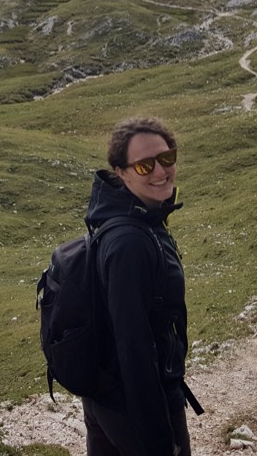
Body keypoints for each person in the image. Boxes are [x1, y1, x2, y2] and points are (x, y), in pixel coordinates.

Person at [82, 116, 194, 456]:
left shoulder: (137, 219)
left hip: (106, 395)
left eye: (167, 158)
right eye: (145, 166)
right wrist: (158, 438)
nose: (161, 172)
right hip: (135, 402)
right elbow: (133, 347)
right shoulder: (129, 241)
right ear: (121, 173)